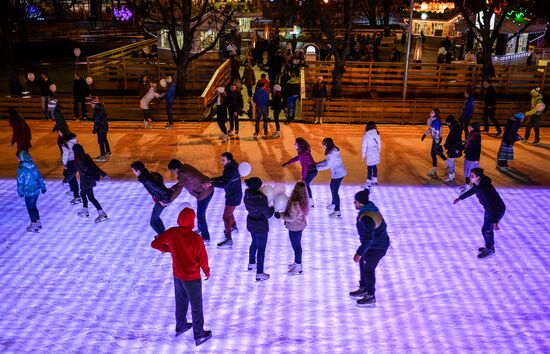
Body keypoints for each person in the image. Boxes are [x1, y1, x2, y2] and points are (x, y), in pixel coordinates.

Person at [150, 207, 212, 346]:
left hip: (178, 275)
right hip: (192, 278)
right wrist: (207, 271)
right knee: (196, 306)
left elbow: (155, 244)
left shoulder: (172, 232)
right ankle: (199, 335)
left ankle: (181, 326)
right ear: (192, 221)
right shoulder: (196, 238)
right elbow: (203, 258)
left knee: (181, 301)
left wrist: (170, 250)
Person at [350, 189, 390, 307]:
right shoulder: (369, 209)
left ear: (361, 203)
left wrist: (359, 252)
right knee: (363, 264)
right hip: (374, 245)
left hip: (376, 247)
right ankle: (364, 287)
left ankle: (370, 295)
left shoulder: (367, 217)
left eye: (355, 202)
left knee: (368, 269)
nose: (354, 203)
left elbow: (368, 238)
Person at [454, 168, 505, 259]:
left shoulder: (485, 189)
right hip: (489, 209)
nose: (470, 177)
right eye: (471, 175)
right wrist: (460, 198)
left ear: (478, 177)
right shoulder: (478, 184)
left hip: (496, 210)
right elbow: (473, 191)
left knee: (486, 230)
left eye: (472, 176)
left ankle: (490, 249)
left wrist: (495, 221)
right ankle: (489, 247)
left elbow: (492, 205)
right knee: (487, 229)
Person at [168, 159, 214, 243]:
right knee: (200, 214)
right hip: (204, 192)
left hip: (205, 193)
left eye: (172, 171)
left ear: (175, 169)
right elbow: (179, 185)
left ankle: (206, 237)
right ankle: (201, 229)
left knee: (200, 215)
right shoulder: (186, 167)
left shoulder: (182, 174)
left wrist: (169, 200)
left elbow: (179, 189)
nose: (173, 173)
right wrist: (171, 189)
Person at [203, 152, 242, 248]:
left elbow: (224, 184)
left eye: (223, 160)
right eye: (221, 160)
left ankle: (229, 239)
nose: (221, 162)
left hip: (233, 197)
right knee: (229, 213)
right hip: (234, 195)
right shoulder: (231, 168)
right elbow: (224, 178)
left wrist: (211, 184)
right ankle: (233, 226)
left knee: (226, 216)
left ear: (229, 160)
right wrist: (211, 180)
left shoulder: (231, 170)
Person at [66, 144, 109, 223]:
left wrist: (65, 180)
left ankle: (102, 213)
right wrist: (103, 174)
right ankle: (85, 210)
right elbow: (94, 166)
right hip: (90, 179)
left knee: (91, 198)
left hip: (86, 181)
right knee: (82, 193)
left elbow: (73, 173)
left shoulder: (77, 161)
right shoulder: (86, 156)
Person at [275, 181, 309, 276]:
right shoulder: (304, 200)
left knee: (296, 247)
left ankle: (298, 266)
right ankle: (297, 263)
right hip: (300, 225)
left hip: (294, 227)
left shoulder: (294, 203)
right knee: (297, 246)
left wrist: (281, 215)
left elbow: (291, 217)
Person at [244, 177, 274, 281]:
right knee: (261, 249)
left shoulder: (246, 194)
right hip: (261, 226)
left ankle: (251, 263)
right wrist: (273, 207)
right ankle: (259, 273)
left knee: (254, 243)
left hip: (251, 223)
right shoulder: (261, 198)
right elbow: (268, 214)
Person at [131, 161, 172, 236]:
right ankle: (163, 234)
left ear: (138, 171)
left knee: (153, 222)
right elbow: (159, 177)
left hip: (162, 200)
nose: (133, 172)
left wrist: (163, 200)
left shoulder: (146, 180)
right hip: (160, 199)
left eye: (133, 171)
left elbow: (160, 189)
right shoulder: (149, 175)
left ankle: (163, 237)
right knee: (156, 218)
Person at [17, 151, 46, 232]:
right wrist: (43, 187)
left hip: (29, 192)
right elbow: (39, 177)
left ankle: (34, 225)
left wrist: (20, 192)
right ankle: (38, 223)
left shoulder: (21, 168)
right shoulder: (33, 165)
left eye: (18, 158)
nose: (17, 159)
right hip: (36, 190)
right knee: (34, 206)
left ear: (21, 158)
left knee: (30, 208)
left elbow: (20, 181)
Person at [316, 138, 346, 217]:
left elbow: (327, 166)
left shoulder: (331, 153)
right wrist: (317, 164)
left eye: (324, 145)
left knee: (334, 191)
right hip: (337, 172)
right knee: (331, 186)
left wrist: (316, 168)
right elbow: (327, 161)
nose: (323, 147)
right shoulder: (333, 150)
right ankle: (333, 204)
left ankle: (337, 210)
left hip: (338, 173)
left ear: (327, 145)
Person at [283, 137, 317, 207]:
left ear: (299, 145)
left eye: (295, 143)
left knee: (304, 186)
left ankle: (308, 202)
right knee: (306, 186)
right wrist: (288, 163)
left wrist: (303, 178)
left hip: (311, 172)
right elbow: (297, 158)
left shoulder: (303, 154)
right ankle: (310, 202)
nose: (294, 144)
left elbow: (304, 167)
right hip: (310, 171)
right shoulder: (301, 152)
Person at [421, 108, 447, 177]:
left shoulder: (436, 122)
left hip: (437, 139)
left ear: (435, 114)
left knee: (434, 153)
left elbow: (437, 133)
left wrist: (436, 143)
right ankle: (436, 169)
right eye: (431, 112)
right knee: (434, 153)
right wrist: (425, 134)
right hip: (435, 139)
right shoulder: (433, 120)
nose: (430, 113)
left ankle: (437, 169)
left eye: (432, 112)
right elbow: (431, 129)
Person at [61, 129, 81, 205]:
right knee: (70, 176)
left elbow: (65, 155)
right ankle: (73, 190)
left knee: (71, 177)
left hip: (70, 162)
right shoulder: (75, 143)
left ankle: (76, 195)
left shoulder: (66, 145)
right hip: (76, 161)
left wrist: (64, 164)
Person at [361, 121, 382, 188]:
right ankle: (375, 180)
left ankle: (368, 181)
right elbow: (379, 143)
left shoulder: (366, 135)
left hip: (370, 153)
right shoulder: (377, 133)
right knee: (374, 166)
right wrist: (378, 151)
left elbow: (364, 146)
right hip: (375, 152)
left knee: (369, 168)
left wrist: (363, 155)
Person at [443, 115, 463, 183]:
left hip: (454, 148)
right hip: (453, 147)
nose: (447, 124)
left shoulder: (456, 128)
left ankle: (451, 176)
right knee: (451, 161)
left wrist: (456, 148)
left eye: (448, 123)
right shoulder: (454, 127)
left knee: (450, 161)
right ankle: (452, 175)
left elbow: (457, 140)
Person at [462, 122, 482, 189]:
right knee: (467, 171)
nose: (469, 127)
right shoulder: (472, 134)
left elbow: (478, 148)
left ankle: (470, 186)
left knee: (470, 172)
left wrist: (477, 159)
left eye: (471, 126)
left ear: (474, 127)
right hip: (468, 155)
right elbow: (468, 144)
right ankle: (466, 184)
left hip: (473, 157)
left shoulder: (476, 135)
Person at [91, 98, 111, 162]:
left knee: (100, 141)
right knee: (104, 139)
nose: (91, 105)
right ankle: (108, 151)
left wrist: (95, 129)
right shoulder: (101, 108)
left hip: (101, 128)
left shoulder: (97, 111)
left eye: (91, 104)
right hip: (104, 127)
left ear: (94, 104)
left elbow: (96, 122)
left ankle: (103, 156)